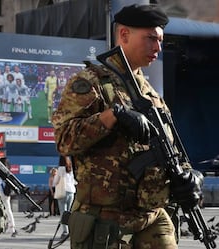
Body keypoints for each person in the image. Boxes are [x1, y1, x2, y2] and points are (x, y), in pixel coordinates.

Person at [52, 4, 203, 249]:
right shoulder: (91, 82)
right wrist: (114, 115)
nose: (158, 47)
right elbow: (65, 140)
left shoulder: (150, 93)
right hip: (105, 219)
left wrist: (190, 176)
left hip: (151, 216)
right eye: (151, 39)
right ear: (124, 35)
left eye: (161, 40)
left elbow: (171, 148)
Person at [53, 156, 76, 238]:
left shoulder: (60, 169)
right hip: (71, 191)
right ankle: (71, 230)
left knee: (63, 212)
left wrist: (54, 184)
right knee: (69, 212)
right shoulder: (71, 169)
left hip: (63, 192)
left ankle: (65, 232)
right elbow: (74, 180)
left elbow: (56, 181)